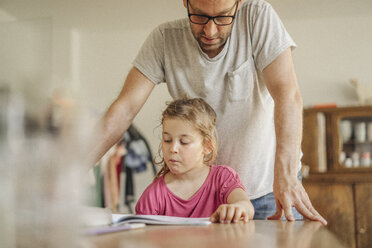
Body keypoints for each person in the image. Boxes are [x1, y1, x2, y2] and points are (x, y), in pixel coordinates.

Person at [89, 0, 327, 225]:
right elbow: (125, 108)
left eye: (223, 17)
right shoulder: (164, 39)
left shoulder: (258, 18)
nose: (210, 31)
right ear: (185, 2)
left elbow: (287, 94)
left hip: (269, 189)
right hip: (206, 199)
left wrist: (286, 177)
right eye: (200, 16)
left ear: (239, 3)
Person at [135, 97, 254, 223]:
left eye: (184, 142)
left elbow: (246, 206)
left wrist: (239, 208)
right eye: (167, 140)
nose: (173, 149)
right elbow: (141, 237)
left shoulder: (223, 178)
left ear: (207, 146)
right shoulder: (154, 194)